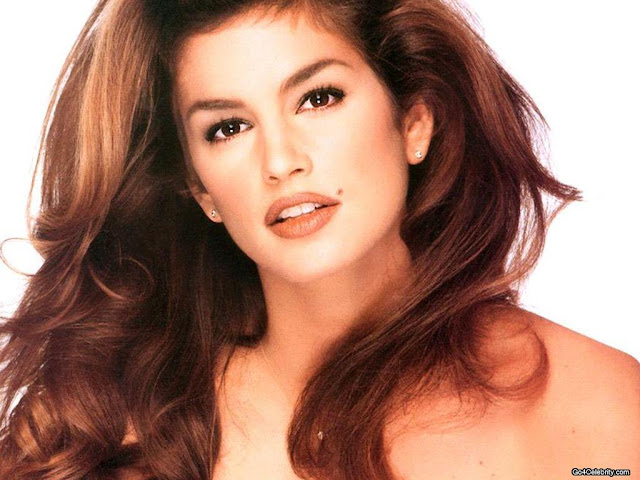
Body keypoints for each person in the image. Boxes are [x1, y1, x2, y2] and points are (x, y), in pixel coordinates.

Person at [0, 0, 638, 478]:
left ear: (414, 123)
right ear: (200, 191)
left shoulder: (593, 409)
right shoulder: (106, 435)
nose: (281, 161)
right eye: (228, 128)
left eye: (318, 97)